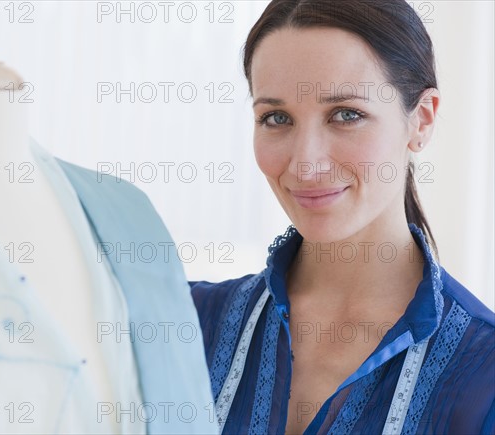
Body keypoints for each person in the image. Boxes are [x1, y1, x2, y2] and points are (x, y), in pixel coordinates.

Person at [190, 1, 495, 433]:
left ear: (421, 121)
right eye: (276, 118)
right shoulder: (185, 325)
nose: (305, 164)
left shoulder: (484, 378)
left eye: (346, 115)